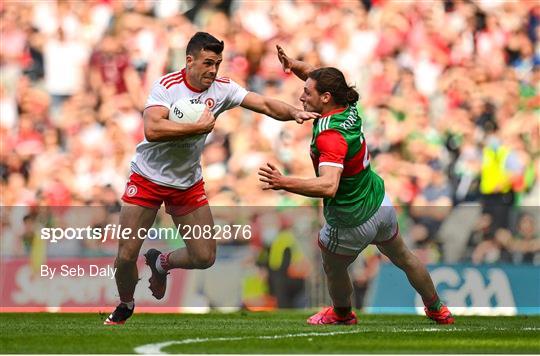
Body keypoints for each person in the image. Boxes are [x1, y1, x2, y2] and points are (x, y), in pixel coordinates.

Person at [104, 33, 319, 325]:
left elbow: (265, 104)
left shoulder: (222, 89)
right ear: (189, 60)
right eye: (207, 63)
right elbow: (152, 130)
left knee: (205, 256)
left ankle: (160, 261)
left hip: (187, 183)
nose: (213, 70)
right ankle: (126, 304)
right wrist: (196, 128)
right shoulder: (167, 87)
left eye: (217, 63)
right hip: (147, 178)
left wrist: (294, 112)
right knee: (127, 254)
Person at [257, 46, 454, 325]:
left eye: (307, 93)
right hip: (379, 203)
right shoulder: (347, 105)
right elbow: (314, 74)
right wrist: (292, 64)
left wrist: (282, 182)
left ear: (325, 97)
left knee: (332, 265)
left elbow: (328, 187)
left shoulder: (330, 136)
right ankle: (437, 309)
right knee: (404, 257)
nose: (301, 95)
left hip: (351, 217)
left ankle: (341, 313)